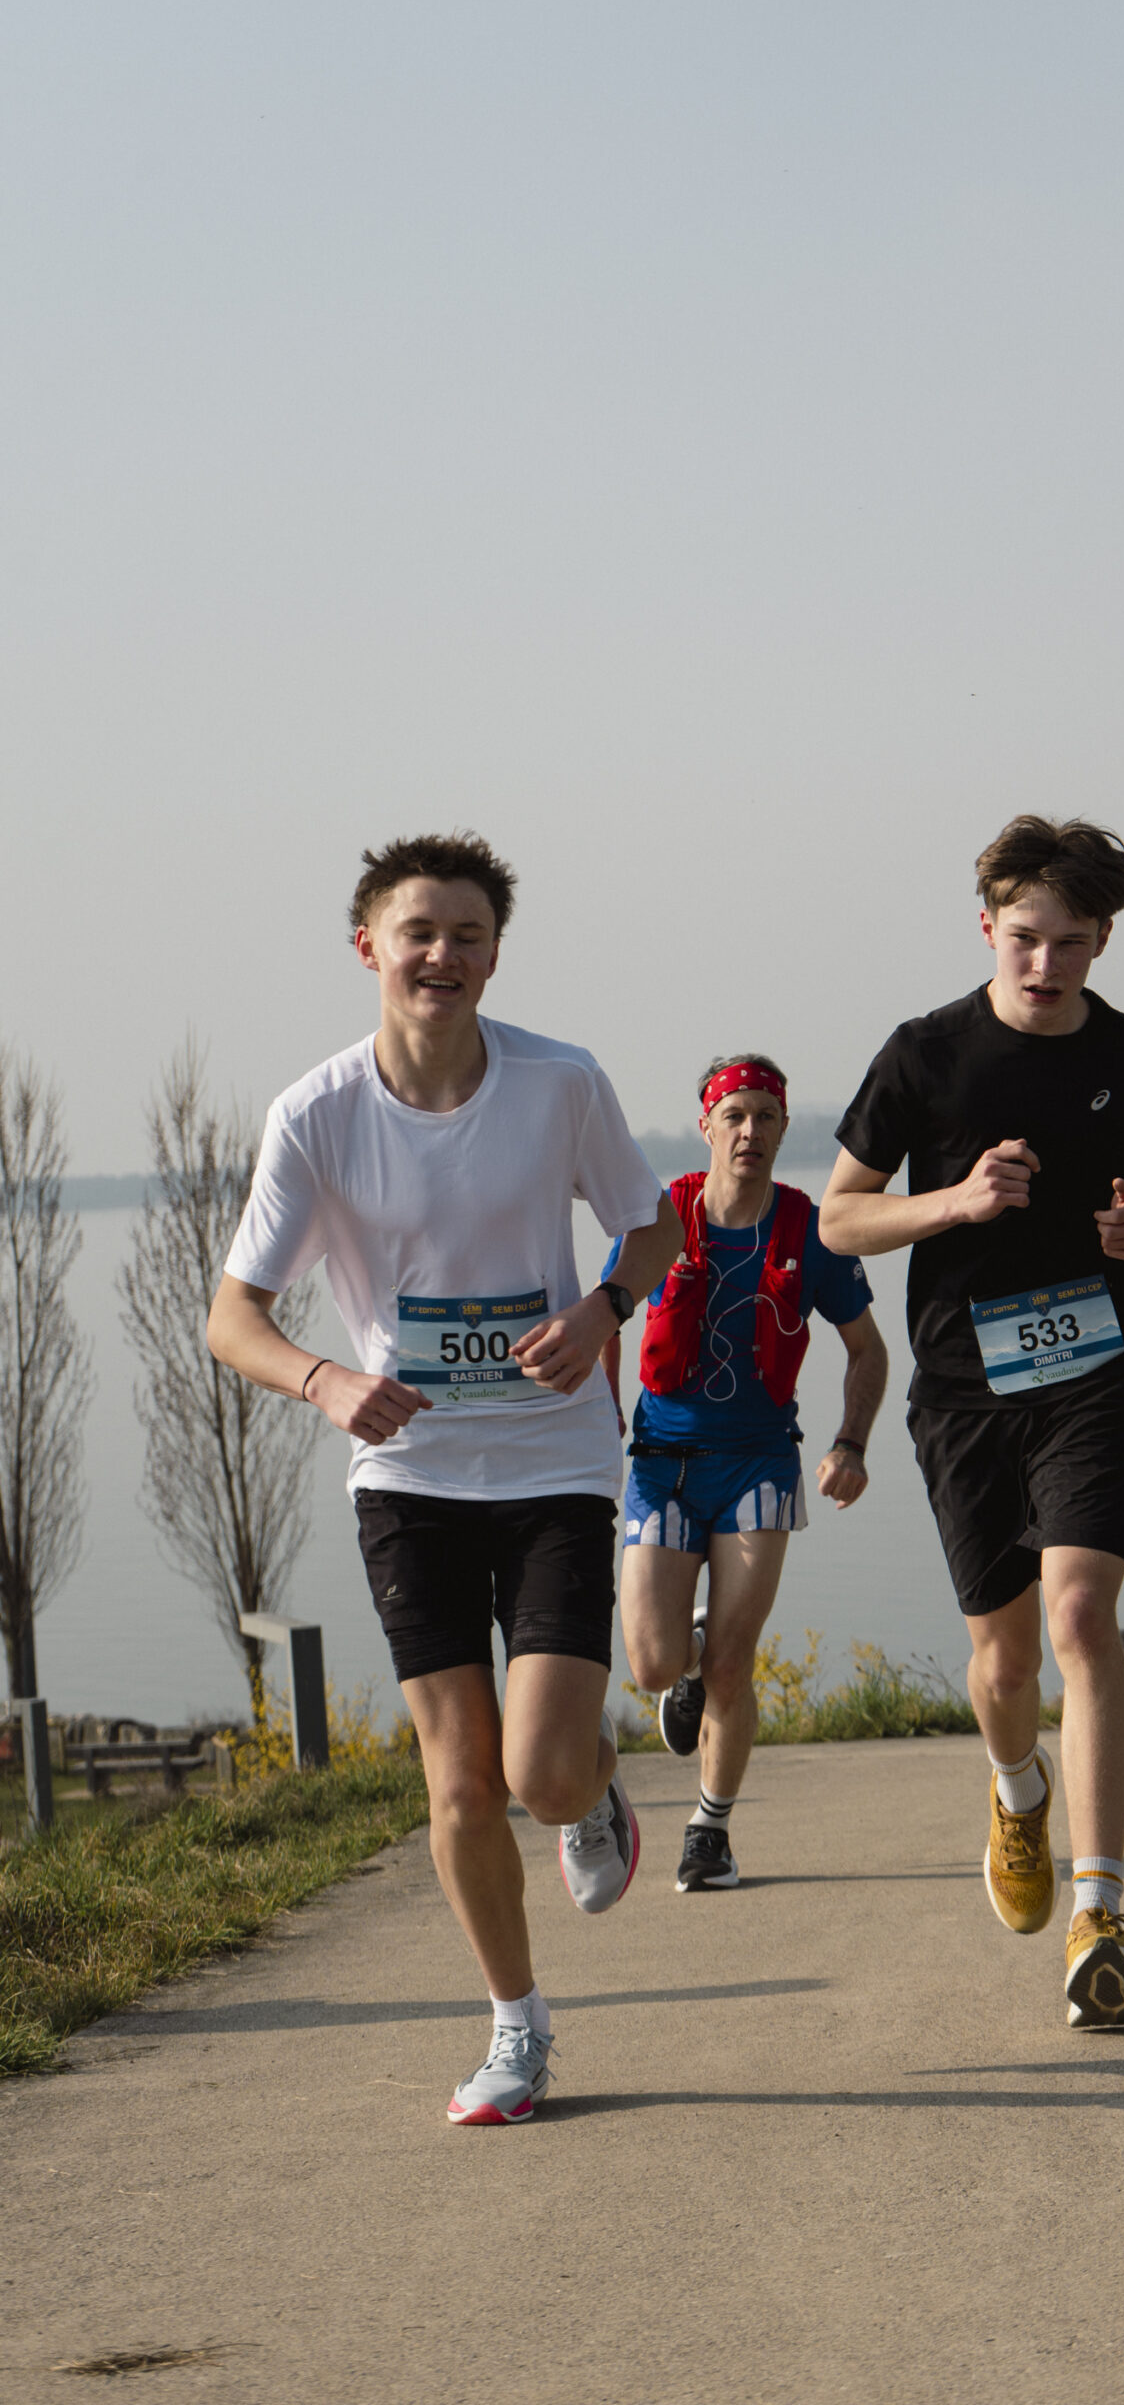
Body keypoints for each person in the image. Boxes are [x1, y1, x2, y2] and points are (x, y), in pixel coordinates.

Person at [206, 833, 682, 2126]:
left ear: (493, 956)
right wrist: (324, 1380)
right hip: (408, 1476)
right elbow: (233, 1318)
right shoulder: (316, 1115)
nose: (442, 955)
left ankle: (587, 1784)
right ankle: (516, 2029)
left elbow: (654, 1226)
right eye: (418, 932)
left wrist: (601, 1309)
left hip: (557, 1462)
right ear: (368, 945)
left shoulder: (559, 1083)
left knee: (540, 1775)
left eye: (467, 935)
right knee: (461, 1783)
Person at [820, 815, 1124, 2029]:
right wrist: (956, 1202)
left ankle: (1100, 1911)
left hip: (1094, 1374)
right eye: (1025, 937)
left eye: (1070, 943)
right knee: (1007, 1664)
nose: (1045, 963)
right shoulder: (924, 1053)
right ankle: (1017, 1788)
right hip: (965, 1390)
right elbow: (838, 1218)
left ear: (1103, 941)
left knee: (1083, 1616)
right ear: (986, 925)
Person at [605, 1053, 888, 1892]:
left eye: (765, 1116)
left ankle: (710, 1832)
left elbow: (868, 1350)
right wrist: (599, 1418)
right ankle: (686, 1660)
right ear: (706, 1125)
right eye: (734, 1115)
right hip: (661, 1464)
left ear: (783, 1128)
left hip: (759, 1464)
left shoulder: (811, 1231)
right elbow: (606, 1317)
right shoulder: (658, 1218)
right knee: (654, 1665)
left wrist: (850, 1443)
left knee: (732, 1662)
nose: (749, 1131)